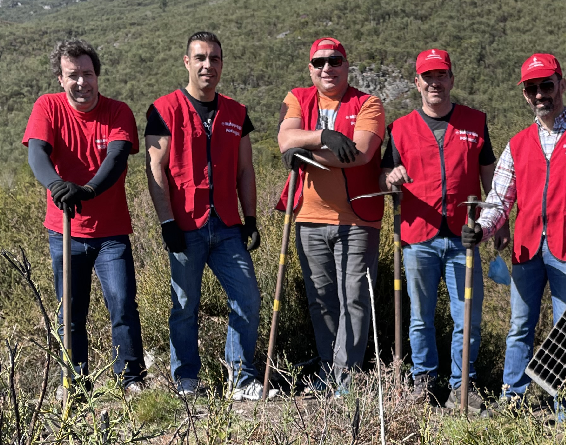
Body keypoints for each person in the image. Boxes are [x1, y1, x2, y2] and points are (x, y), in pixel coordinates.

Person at [466, 53, 566, 402]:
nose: (539, 94)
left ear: (561, 85)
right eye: (531, 89)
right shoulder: (518, 144)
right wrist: (480, 229)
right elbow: (499, 201)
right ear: (524, 94)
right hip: (528, 249)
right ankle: (512, 400)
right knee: (519, 328)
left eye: (546, 85)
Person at [145, 31, 274, 401]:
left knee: (248, 297)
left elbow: (245, 170)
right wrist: (167, 221)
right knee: (185, 305)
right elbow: (155, 165)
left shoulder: (237, 113)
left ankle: (241, 377)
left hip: (228, 226)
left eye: (214, 59)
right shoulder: (164, 109)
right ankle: (185, 379)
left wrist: (250, 219)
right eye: (200, 58)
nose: (207, 65)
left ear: (221, 64)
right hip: (186, 226)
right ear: (187, 62)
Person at [381, 48, 505, 412]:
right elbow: (384, 176)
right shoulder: (399, 129)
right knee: (419, 317)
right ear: (417, 82)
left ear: (452, 79)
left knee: (466, 316)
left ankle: (462, 387)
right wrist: (391, 177)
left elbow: (492, 181)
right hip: (417, 236)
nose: (435, 82)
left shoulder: (475, 122)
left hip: (463, 236)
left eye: (441, 75)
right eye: (428, 77)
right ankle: (424, 383)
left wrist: (499, 222)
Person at [23, 38, 146, 395]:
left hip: (111, 232)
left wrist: (88, 190)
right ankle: (74, 381)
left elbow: (117, 156)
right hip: (64, 230)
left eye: (87, 74)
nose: (81, 82)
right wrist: (56, 184)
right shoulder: (47, 106)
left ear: (97, 76)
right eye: (72, 75)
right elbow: (37, 153)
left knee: (122, 304)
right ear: (60, 79)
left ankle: (131, 378)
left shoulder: (118, 111)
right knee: (71, 310)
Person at [276, 37, 386, 396]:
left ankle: (345, 378)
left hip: (358, 219)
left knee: (354, 297)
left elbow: (361, 153)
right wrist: (324, 134)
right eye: (320, 62)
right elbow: (284, 138)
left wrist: (303, 152)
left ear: (346, 65)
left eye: (335, 61)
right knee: (320, 299)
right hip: (309, 217)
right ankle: (327, 371)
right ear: (310, 68)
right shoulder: (297, 97)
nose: (327, 68)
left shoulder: (368, 103)